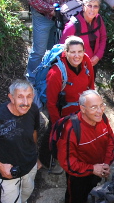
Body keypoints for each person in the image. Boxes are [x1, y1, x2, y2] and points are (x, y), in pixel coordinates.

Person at [57, 90, 114, 203]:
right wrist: (91, 168)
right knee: (73, 198)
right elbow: (68, 162)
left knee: (89, 190)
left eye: (101, 105)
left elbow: (110, 141)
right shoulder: (71, 128)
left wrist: (106, 163)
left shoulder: (103, 119)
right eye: (93, 107)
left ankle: (85, 201)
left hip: (98, 167)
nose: (100, 110)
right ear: (82, 108)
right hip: (78, 173)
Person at [40, 36, 95, 173]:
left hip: (80, 109)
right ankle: (46, 160)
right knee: (55, 134)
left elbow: (91, 84)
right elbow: (51, 103)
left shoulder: (86, 60)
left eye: (80, 51)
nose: (77, 56)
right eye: (72, 52)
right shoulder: (56, 73)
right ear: (66, 52)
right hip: (62, 113)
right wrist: (56, 122)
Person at [61, 0, 107, 65]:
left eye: (95, 6)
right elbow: (62, 49)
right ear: (83, 6)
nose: (92, 9)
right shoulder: (72, 25)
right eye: (89, 6)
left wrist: (98, 56)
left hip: (93, 62)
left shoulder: (98, 18)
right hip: (77, 66)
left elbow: (103, 37)